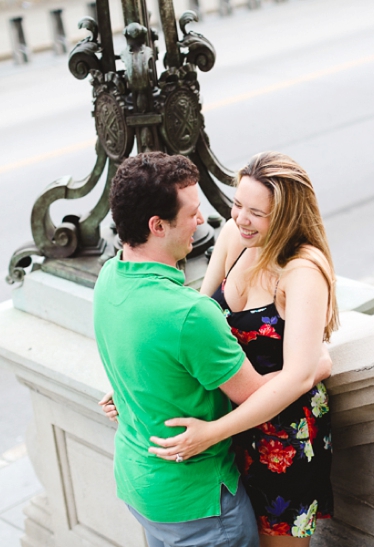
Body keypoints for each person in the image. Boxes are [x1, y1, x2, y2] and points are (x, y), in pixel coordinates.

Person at [94, 152, 330, 547]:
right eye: (238, 204)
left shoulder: (302, 269)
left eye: (257, 212)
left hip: (277, 441)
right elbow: (195, 323)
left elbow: (299, 374)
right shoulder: (233, 239)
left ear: (286, 216)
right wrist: (138, 385)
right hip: (221, 446)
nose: (239, 218)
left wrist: (313, 368)